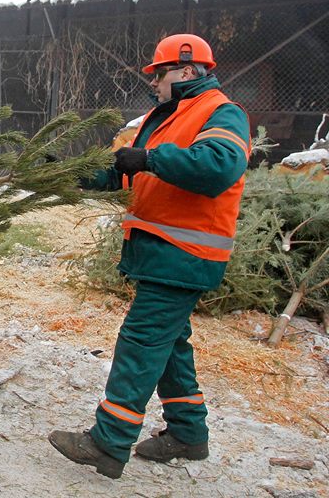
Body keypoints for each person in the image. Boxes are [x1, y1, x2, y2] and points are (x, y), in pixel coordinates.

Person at [48, 33, 251, 479]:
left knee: (141, 343)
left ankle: (107, 443)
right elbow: (125, 175)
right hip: (165, 253)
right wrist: (62, 173)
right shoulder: (165, 119)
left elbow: (217, 166)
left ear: (186, 70)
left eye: (158, 75)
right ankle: (189, 434)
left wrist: (150, 158)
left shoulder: (222, 112)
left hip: (186, 253)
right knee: (169, 345)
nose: (154, 84)